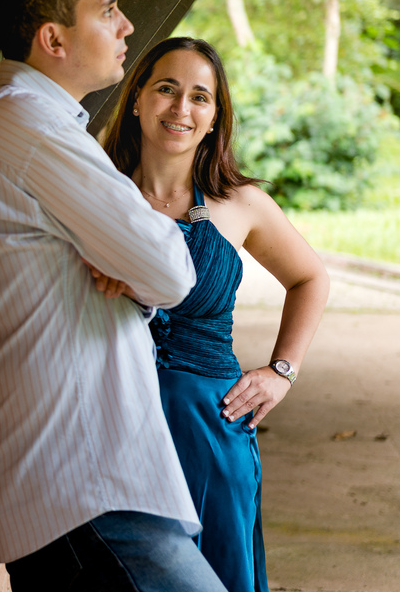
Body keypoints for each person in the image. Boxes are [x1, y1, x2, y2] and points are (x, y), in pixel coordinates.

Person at [0, 0, 227, 592]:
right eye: (107, 10)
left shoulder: (48, 125)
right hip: (79, 481)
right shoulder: (32, 128)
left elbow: (154, 271)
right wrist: (137, 268)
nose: (126, 25)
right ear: (53, 37)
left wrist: (132, 269)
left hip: (88, 476)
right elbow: (173, 271)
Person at [98, 36, 330, 592]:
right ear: (136, 99)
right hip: (113, 425)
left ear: (214, 116)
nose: (181, 108)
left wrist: (282, 372)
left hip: (210, 432)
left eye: (200, 97)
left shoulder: (238, 203)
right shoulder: (95, 191)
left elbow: (310, 278)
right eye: (166, 89)